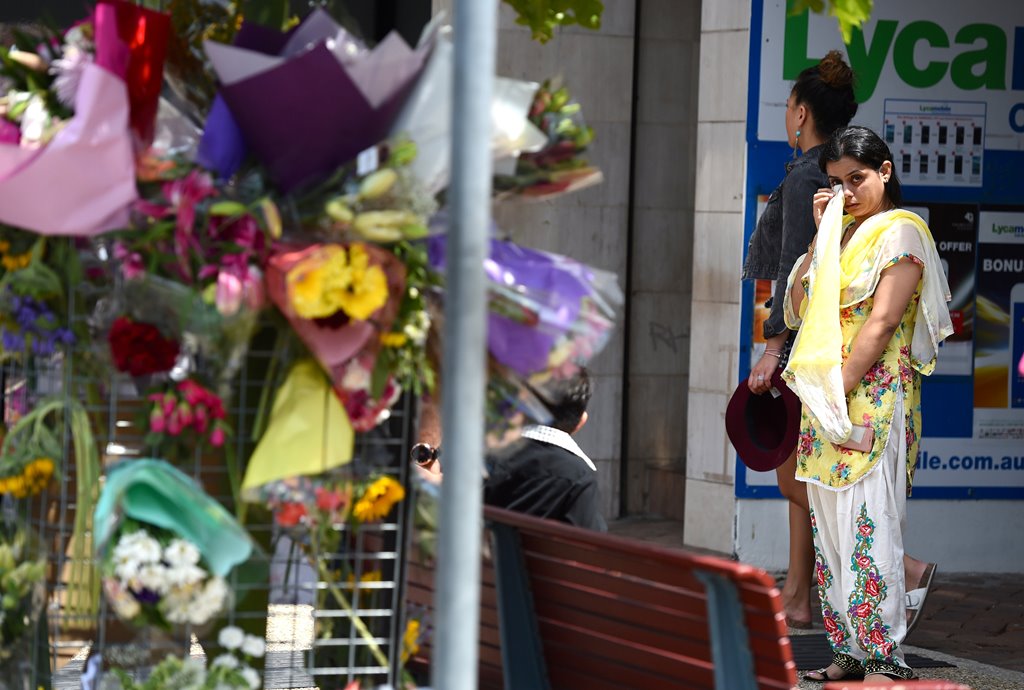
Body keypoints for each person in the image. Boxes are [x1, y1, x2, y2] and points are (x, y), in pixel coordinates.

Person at [784, 126, 952, 682]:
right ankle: (848, 652)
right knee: (830, 531)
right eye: (835, 184)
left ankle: (883, 656)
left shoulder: (902, 233)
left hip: (871, 399)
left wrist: (838, 391)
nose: (847, 193)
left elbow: (879, 325)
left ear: (884, 170)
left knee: (871, 528)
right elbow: (803, 309)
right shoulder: (841, 235)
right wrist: (821, 235)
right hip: (826, 401)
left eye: (856, 179)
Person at [742, 49, 860, 629]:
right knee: (803, 469)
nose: (786, 115)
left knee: (797, 475)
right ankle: (797, 596)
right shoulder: (840, 172)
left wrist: (771, 347)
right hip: (836, 343)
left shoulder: (807, 178)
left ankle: (904, 567)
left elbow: (793, 271)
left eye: (789, 107)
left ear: (802, 113)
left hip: (805, 348)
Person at [483, 369, 606, 531]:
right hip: (540, 556)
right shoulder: (579, 477)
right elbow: (590, 546)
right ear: (580, 421)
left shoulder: (489, 456)